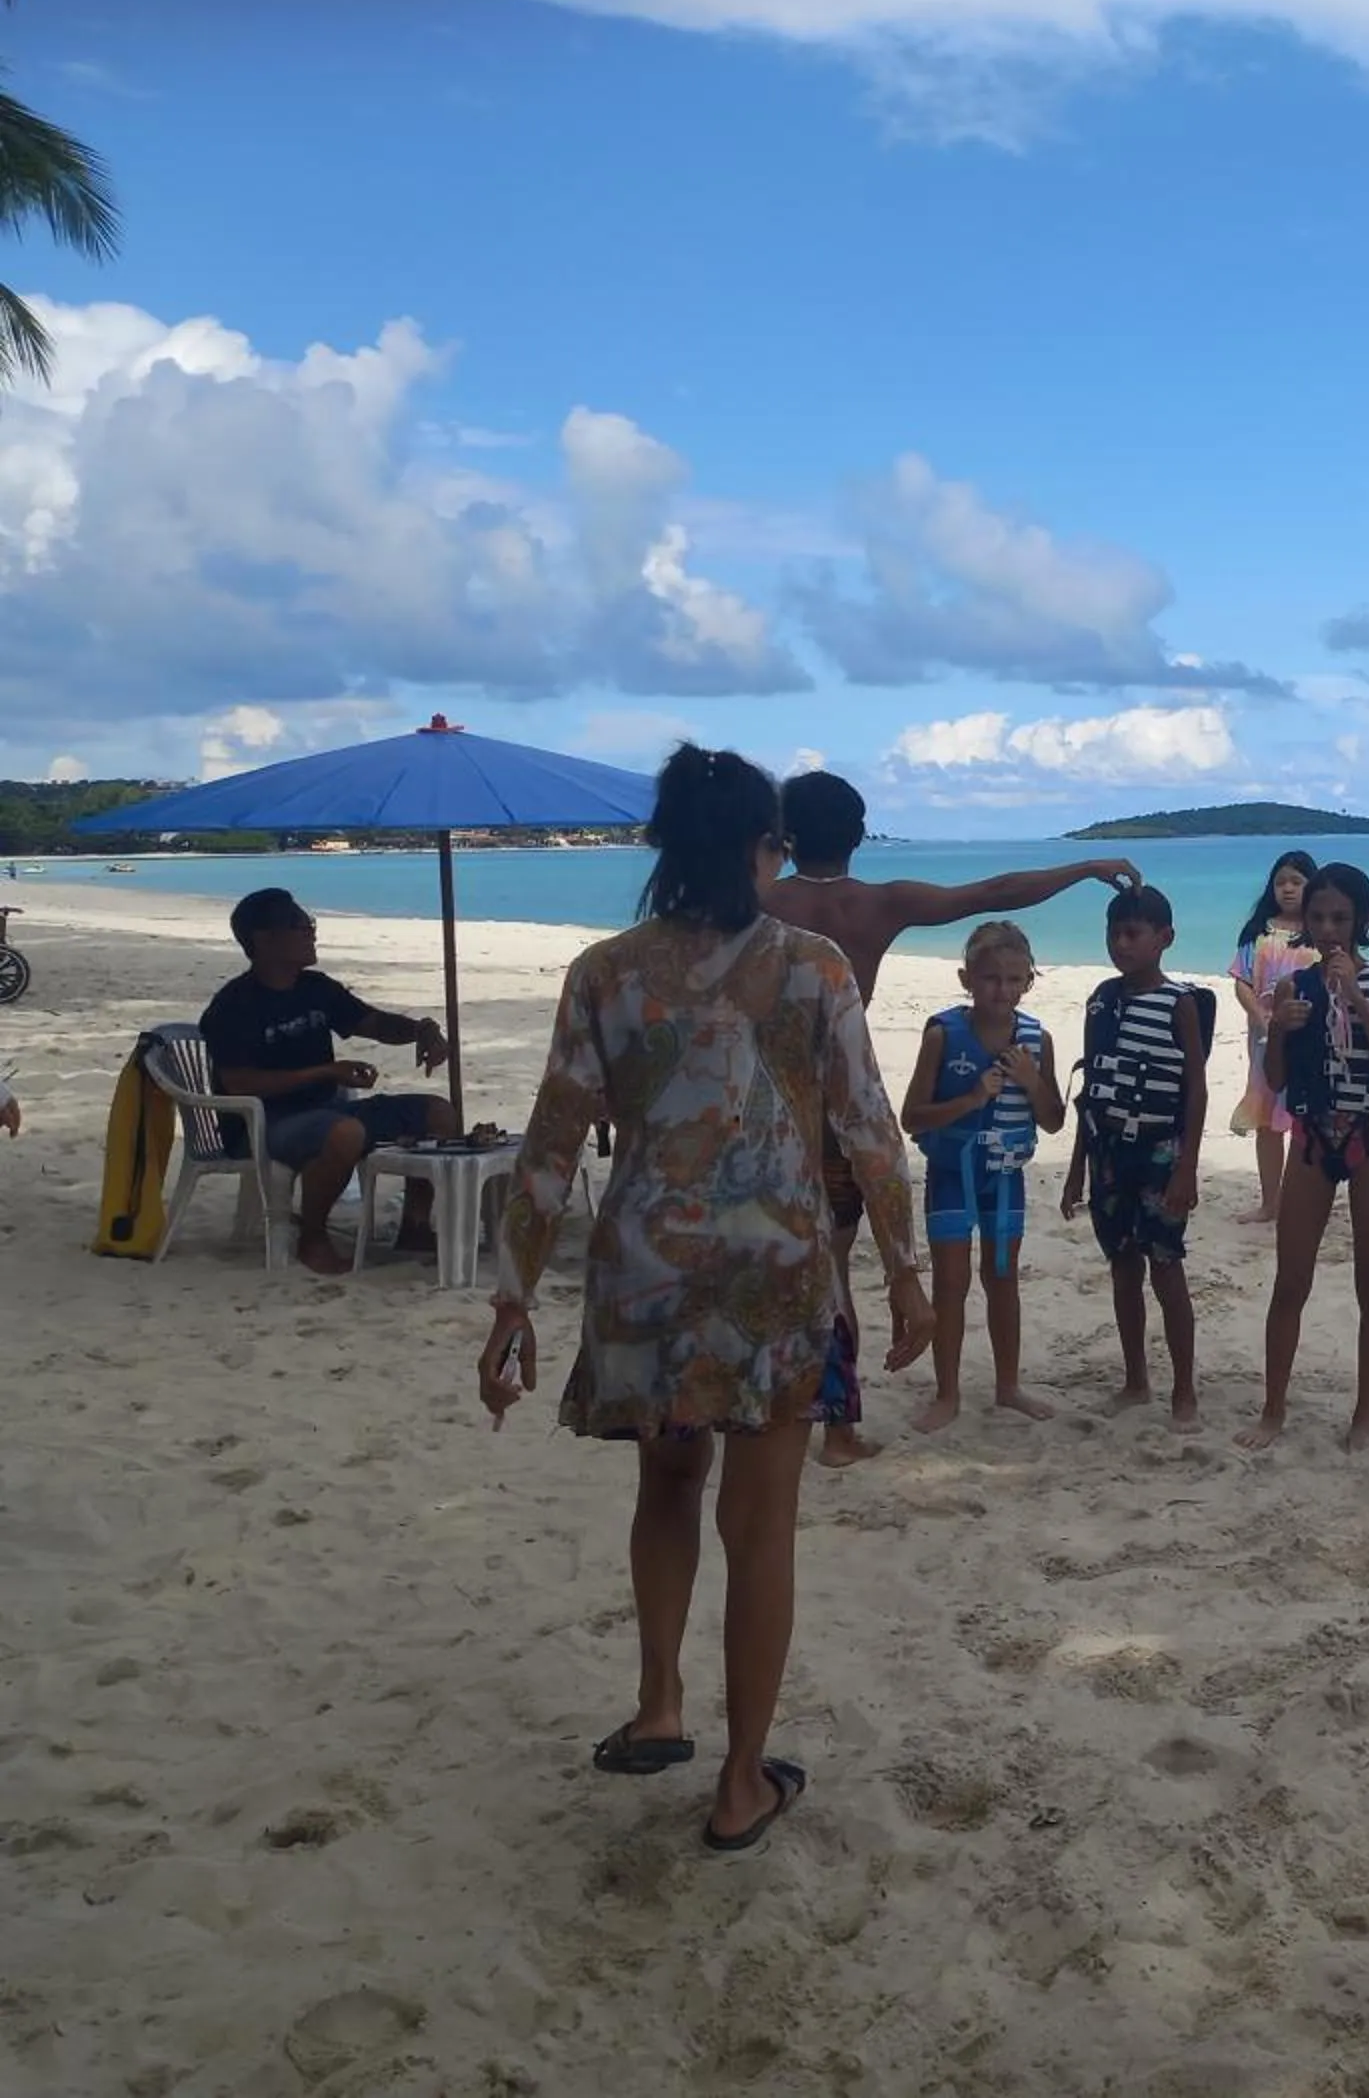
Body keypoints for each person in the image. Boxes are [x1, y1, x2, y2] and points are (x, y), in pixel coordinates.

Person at [478, 745, 930, 1855]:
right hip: (777, 1272)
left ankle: (658, 1702)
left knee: (667, 1484)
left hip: (646, 1273)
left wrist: (511, 1299)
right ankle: (739, 1784)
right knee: (761, 1525)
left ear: (661, 844)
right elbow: (870, 1130)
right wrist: (906, 1269)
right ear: (763, 845)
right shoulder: (816, 967)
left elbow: (552, 1143)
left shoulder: (606, 972)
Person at [762, 769, 1136, 1467]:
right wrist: (1087, 866)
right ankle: (837, 1430)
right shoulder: (878, 904)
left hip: (755, 1105)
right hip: (833, 1103)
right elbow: (993, 894)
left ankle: (768, 1409)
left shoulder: (758, 900)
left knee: (768, 1263)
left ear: (783, 838)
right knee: (834, 1265)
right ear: (858, 834)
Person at [1239, 863, 1369, 1454]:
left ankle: (1365, 1412)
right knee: (1291, 1279)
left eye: (1340, 918)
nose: (1329, 929)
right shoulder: (1295, 988)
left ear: (1362, 920)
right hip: (1313, 1139)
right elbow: (1278, 1081)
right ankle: (1273, 1408)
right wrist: (1280, 1032)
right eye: (1318, 918)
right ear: (1305, 923)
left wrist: (1360, 1006)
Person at [202, 888, 456, 1277]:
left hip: (326, 1112)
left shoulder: (316, 989)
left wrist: (422, 1029)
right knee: (344, 1133)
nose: (311, 933)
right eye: (300, 926)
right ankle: (313, 1237)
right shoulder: (234, 1006)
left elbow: (374, 1023)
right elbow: (239, 1084)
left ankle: (416, 1225)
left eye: (311, 924)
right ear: (264, 939)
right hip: (262, 1123)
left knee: (438, 1115)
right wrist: (324, 1072)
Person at [898, 922, 1062, 1431]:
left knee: (1003, 1278)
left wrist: (1032, 1082)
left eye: (1015, 980)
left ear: (1029, 982)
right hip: (952, 1172)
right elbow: (912, 1117)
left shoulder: (1037, 1039)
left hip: (1006, 1176)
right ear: (966, 979)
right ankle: (947, 1394)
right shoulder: (943, 1034)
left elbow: (1054, 1119)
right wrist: (971, 1098)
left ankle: (1007, 1385)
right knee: (950, 1283)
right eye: (991, 979)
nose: (1003, 990)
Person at [1062, 885, 1209, 1431]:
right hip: (1107, 1152)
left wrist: (1187, 1166)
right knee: (1123, 1269)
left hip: (1160, 1152)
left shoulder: (1181, 1004)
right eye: (1113, 933)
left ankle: (1185, 1390)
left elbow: (1196, 1089)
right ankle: (1135, 1379)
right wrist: (1077, 1167)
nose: (1120, 944)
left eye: (1132, 933)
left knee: (1166, 1268)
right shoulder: (1101, 1000)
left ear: (1164, 939)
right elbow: (1092, 1086)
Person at [1227, 853, 1318, 1224]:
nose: (1288, 888)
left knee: (1304, 1119)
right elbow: (1242, 981)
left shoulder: (1318, 932)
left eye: (1296, 881)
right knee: (1267, 1118)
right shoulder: (1258, 933)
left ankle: (1304, 1199)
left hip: (1308, 1040)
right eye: (1281, 882)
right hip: (1264, 1040)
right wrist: (1260, 1017)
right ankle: (1271, 1202)